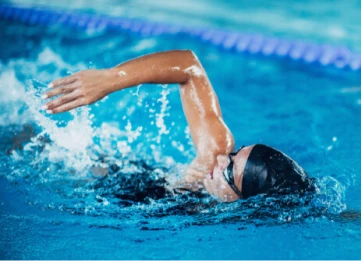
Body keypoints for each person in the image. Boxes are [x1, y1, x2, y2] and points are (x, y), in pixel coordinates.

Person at [41, 50, 314, 202]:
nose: (221, 160)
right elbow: (189, 66)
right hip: (105, 177)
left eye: (230, 171)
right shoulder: (213, 157)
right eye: (235, 154)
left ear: (244, 201)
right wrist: (111, 79)